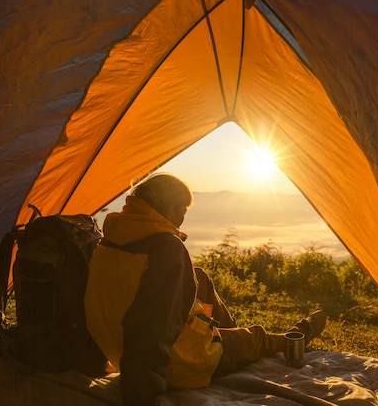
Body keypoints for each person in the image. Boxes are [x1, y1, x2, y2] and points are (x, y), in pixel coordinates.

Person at [84, 173, 327, 406]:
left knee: (200, 277)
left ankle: (230, 337)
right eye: (182, 211)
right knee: (256, 337)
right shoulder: (166, 247)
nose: (183, 218)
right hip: (178, 362)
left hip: (116, 348)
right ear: (169, 209)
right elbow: (151, 333)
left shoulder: (115, 235)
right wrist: (142, 397)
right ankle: (295, 337)